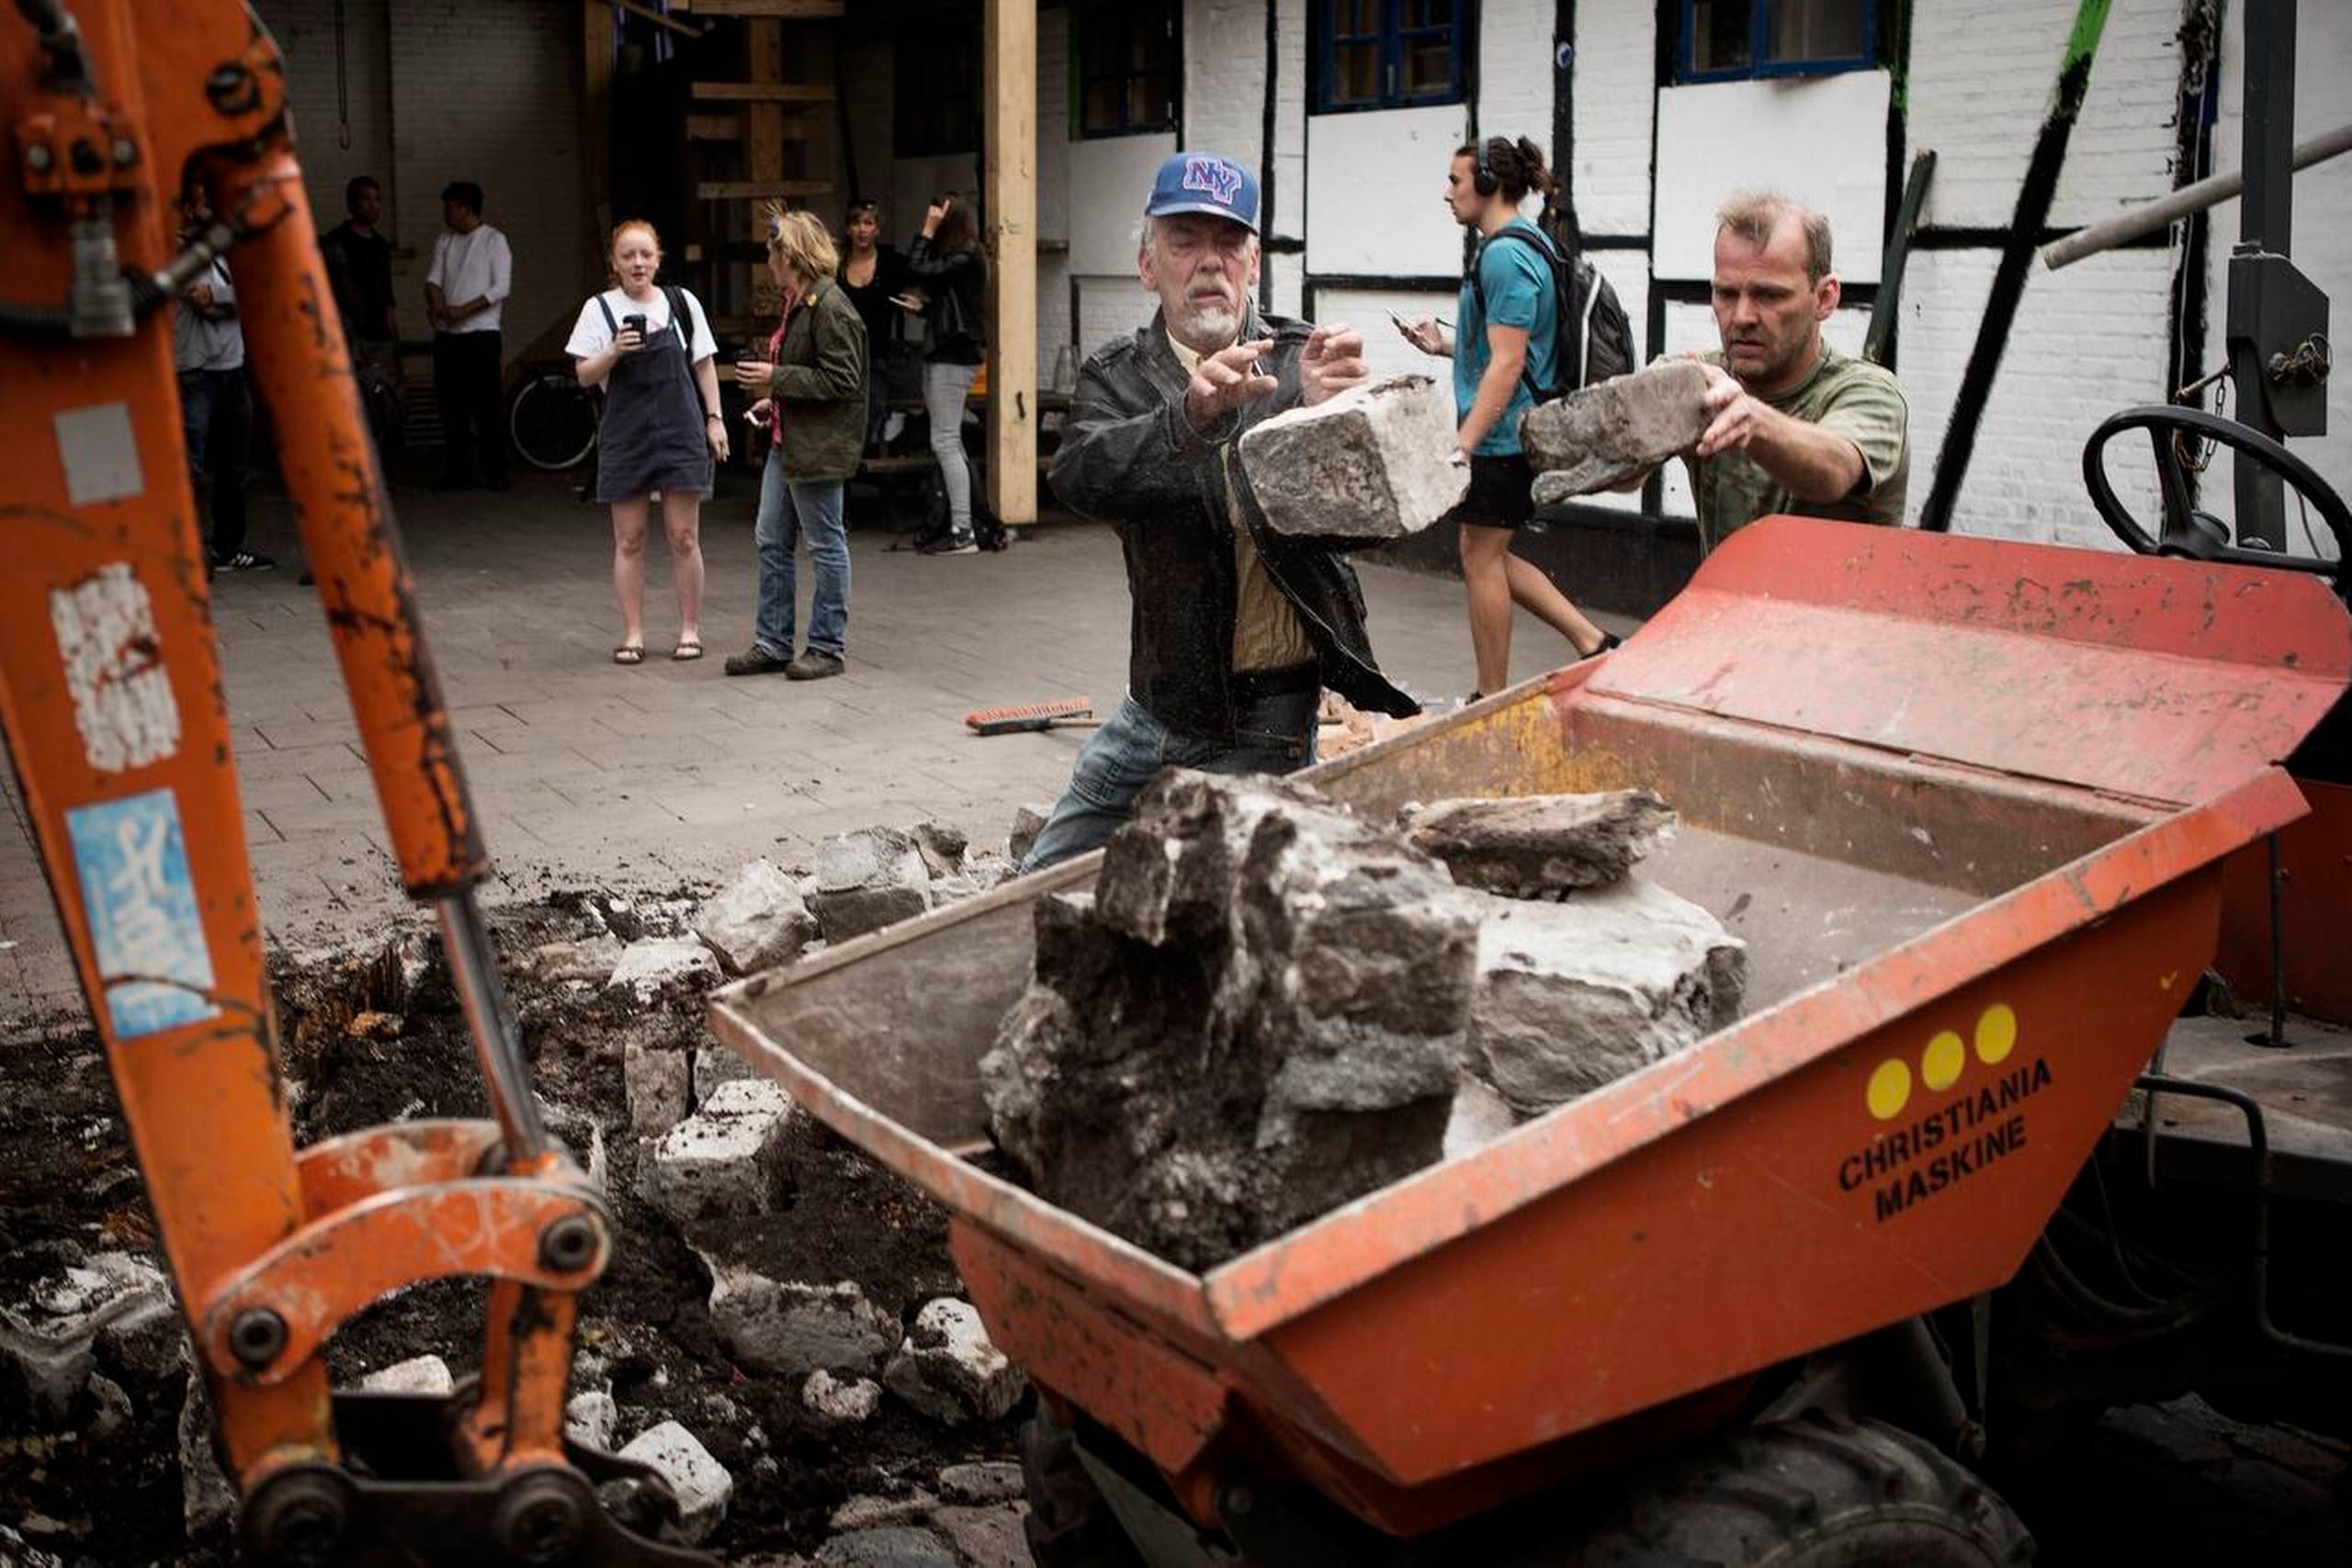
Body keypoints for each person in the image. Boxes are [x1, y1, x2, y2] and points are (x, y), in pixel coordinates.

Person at [1021, 152, 1419, 872]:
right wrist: (1192, 415)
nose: (1210, 263)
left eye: (1229, 243)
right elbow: (1079, 478)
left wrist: (1341, 424)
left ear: (1254, 262)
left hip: (1265, 721)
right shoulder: (1117, 376)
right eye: (1185, 242)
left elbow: (1371, 527)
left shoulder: (1305, 362)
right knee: (1036, 884)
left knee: (1216, 917)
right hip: (1153, 708)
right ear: (1148, 267)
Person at [1399, 136, 1614, 701]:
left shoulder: (1505, 255)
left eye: (1456, 181)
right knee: (1485, 552)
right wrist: (1445, 345)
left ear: (1489, 185)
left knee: (1480, 557)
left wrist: (1463, 443)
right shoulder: (1519, 246)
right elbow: (1505, 351)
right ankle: (1591, 641)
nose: (1447, 194)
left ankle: (1489, 694)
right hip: (1505, 426)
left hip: (1503, 437)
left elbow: (1511, 362)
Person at [1640, 193, 1910, 555]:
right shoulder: (1701, 378)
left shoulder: (1868, 392)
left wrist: (1750, 419)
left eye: (1769, 296)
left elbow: (1833, 472)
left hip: (1837, 610)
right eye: (1726, 294)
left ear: (1825, 298)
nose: (1742, 317)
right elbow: (1625, 476)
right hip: (1727, 607)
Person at [565, 219, 727, 664]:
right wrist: (615, 350)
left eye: (645, 255)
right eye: (628, 256)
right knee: (630, 539)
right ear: (613, 263)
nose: (638, 263)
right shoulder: (598, 309)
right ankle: (633, 633)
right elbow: (583, 375)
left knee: (684, 536)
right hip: (626, 433)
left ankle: (689, 629)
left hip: (680, 429)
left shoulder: (682, 302)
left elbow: (705, 365)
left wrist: (715, 419)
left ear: (658, 259)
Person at [725, 209, 868, 682]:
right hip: (790, 442)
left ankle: (827, 647)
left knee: (826, 545)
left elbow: (843, 380)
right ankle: (773, 641)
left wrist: (775, 378)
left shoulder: (831, 306)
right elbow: (815, 378)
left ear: (789, 253)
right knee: (771, 540)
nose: (767, 258)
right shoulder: (799, 301)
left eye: (771, 250)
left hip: (818, 448)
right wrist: (775, 401)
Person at [175, 189, 269, 574]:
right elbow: (199, 302)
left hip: (232, 368)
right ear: (187, 209)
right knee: (190, 467)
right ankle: (186, 552)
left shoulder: (227, 251)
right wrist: (225, 301)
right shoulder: (174, 251)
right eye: (206, 202)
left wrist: (218, 296)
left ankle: (228, 548)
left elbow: (256, 293)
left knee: (234, 466)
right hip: (194, 371)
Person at [900, 192, 987, 555]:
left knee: (946, 441)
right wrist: (925, 309)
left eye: (940, 215)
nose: (933, 217)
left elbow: (915, 268)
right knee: (950, 442)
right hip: (949, 352)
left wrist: (925, 230)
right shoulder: (962, 256)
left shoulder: (965, 254)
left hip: (953, 357)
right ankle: (968, 522)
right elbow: (953, 309)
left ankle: (964, 530)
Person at [424, 180, 512, 491]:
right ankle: (457, 472)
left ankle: (495, 473)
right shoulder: (445, 241)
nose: (445, 214)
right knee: (452, 408)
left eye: (449, 207)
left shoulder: (494, 241)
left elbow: (501, 287)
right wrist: (438, 306)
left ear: (465, 208)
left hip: (482, 336)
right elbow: (433, 280)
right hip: (449, 337)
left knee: (487, 407)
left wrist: (464, 310)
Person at [322, 174, 401, 447]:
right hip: (347, 338)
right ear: (351, 204)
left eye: (377, 199)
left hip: (378, 337)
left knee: (380, 403)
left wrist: (392, 332)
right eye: (366, 199)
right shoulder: (335, 242)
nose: (374, 205)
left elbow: (387, 292)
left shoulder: (380, 244)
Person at [832, 199, 910, 444]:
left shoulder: (891, 263)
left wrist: (919, 303)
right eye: (856, 223)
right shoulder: (836, 264)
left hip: (877, 355)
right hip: (839, 355)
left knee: (872, 415)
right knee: (840, 419)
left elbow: (921, 276)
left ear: (877, 229)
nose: (862, 229)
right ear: (847, 228)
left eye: (868, 223)